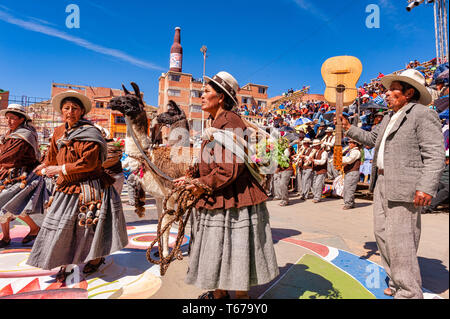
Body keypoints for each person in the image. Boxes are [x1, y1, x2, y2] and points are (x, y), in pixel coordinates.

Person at [341, 69, 445, 298]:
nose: (386, 94)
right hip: (382, 182)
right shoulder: (389, 117)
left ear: (408, 93)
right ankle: (397, 282)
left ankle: (409, 291)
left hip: (405, 185)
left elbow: (435, 154)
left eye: (393, 90)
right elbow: (371, 140)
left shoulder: (422, 114)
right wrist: (348, 127)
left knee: (401, 239)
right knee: (382, 235)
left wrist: (426, 186)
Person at [174, 71, 279, 299]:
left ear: (221, 97)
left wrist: (201, 183)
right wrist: (191, 176)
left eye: (207, 92)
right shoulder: (215, 123)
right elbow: (209, 160)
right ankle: (220, 294)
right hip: (220, 195)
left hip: (234, 199)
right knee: (219, 248)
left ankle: (241, 298)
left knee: (236, 251)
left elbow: (229, 169)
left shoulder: (230, 122)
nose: (202, 96)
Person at [26, 90, 128, 282]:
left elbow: (88, 163)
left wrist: (60, 169)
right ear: (61, 111)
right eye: (66, 108)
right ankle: (63, 261)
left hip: (88, 188)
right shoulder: (58, 132)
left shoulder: (91, 132)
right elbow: (52, 156)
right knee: (60, 227)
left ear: (81, 111)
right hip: (66, 187)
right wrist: (45, 166)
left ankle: (96, 258)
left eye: (74, 108)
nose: (70, 112)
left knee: (88, 227)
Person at [0, 104, 47, 248]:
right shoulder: (11, 134)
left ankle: (34, 228)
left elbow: (8, 157)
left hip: (20, 176)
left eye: (12, 118)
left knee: (12, 204)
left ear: (21, 119)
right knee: (7, 206)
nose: (8, 121)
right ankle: (6, 236)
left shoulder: (23, 136)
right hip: (8, 175)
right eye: (7, 118)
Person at [342, 139, 362, 210]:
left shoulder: (355, 152)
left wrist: (339, 158)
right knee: (347, 188)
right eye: (349, 143)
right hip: (349, 172)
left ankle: (348, 204)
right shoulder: (351, 151)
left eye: (351, 143)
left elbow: (349, 160)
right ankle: (351, 202)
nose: (349, 144)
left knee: (349, 188)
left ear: (355, 144)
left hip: (353, 172)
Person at [311, 139, 327, 203]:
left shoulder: (324, 152)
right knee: (314, 184)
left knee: (318, 184)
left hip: (321, 170)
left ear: (319, 146)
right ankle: (316, 196)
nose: (314, 147)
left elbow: (323, 162)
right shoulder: (315, 152)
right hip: (316, 170)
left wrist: (314, 160)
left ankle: (317, 197)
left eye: (315, 146)